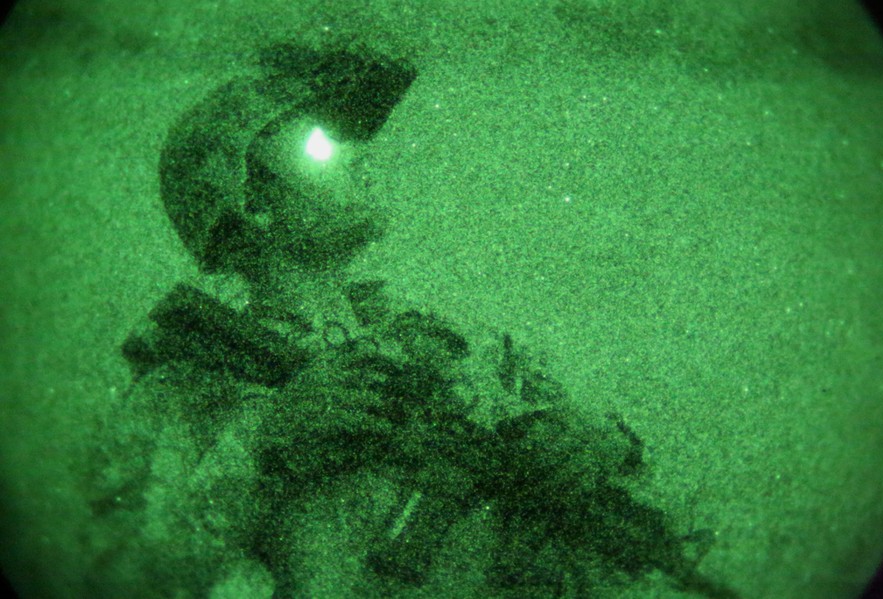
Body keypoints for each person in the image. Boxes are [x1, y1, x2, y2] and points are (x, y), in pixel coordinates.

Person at [88, 40, 738, 599]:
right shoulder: (189, 387)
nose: (356, 155)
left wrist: (604, 444)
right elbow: (129, 570)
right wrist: (265, 442)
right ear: (251, 201)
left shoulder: (455, 347)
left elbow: (663, 507)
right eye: (319, 143)